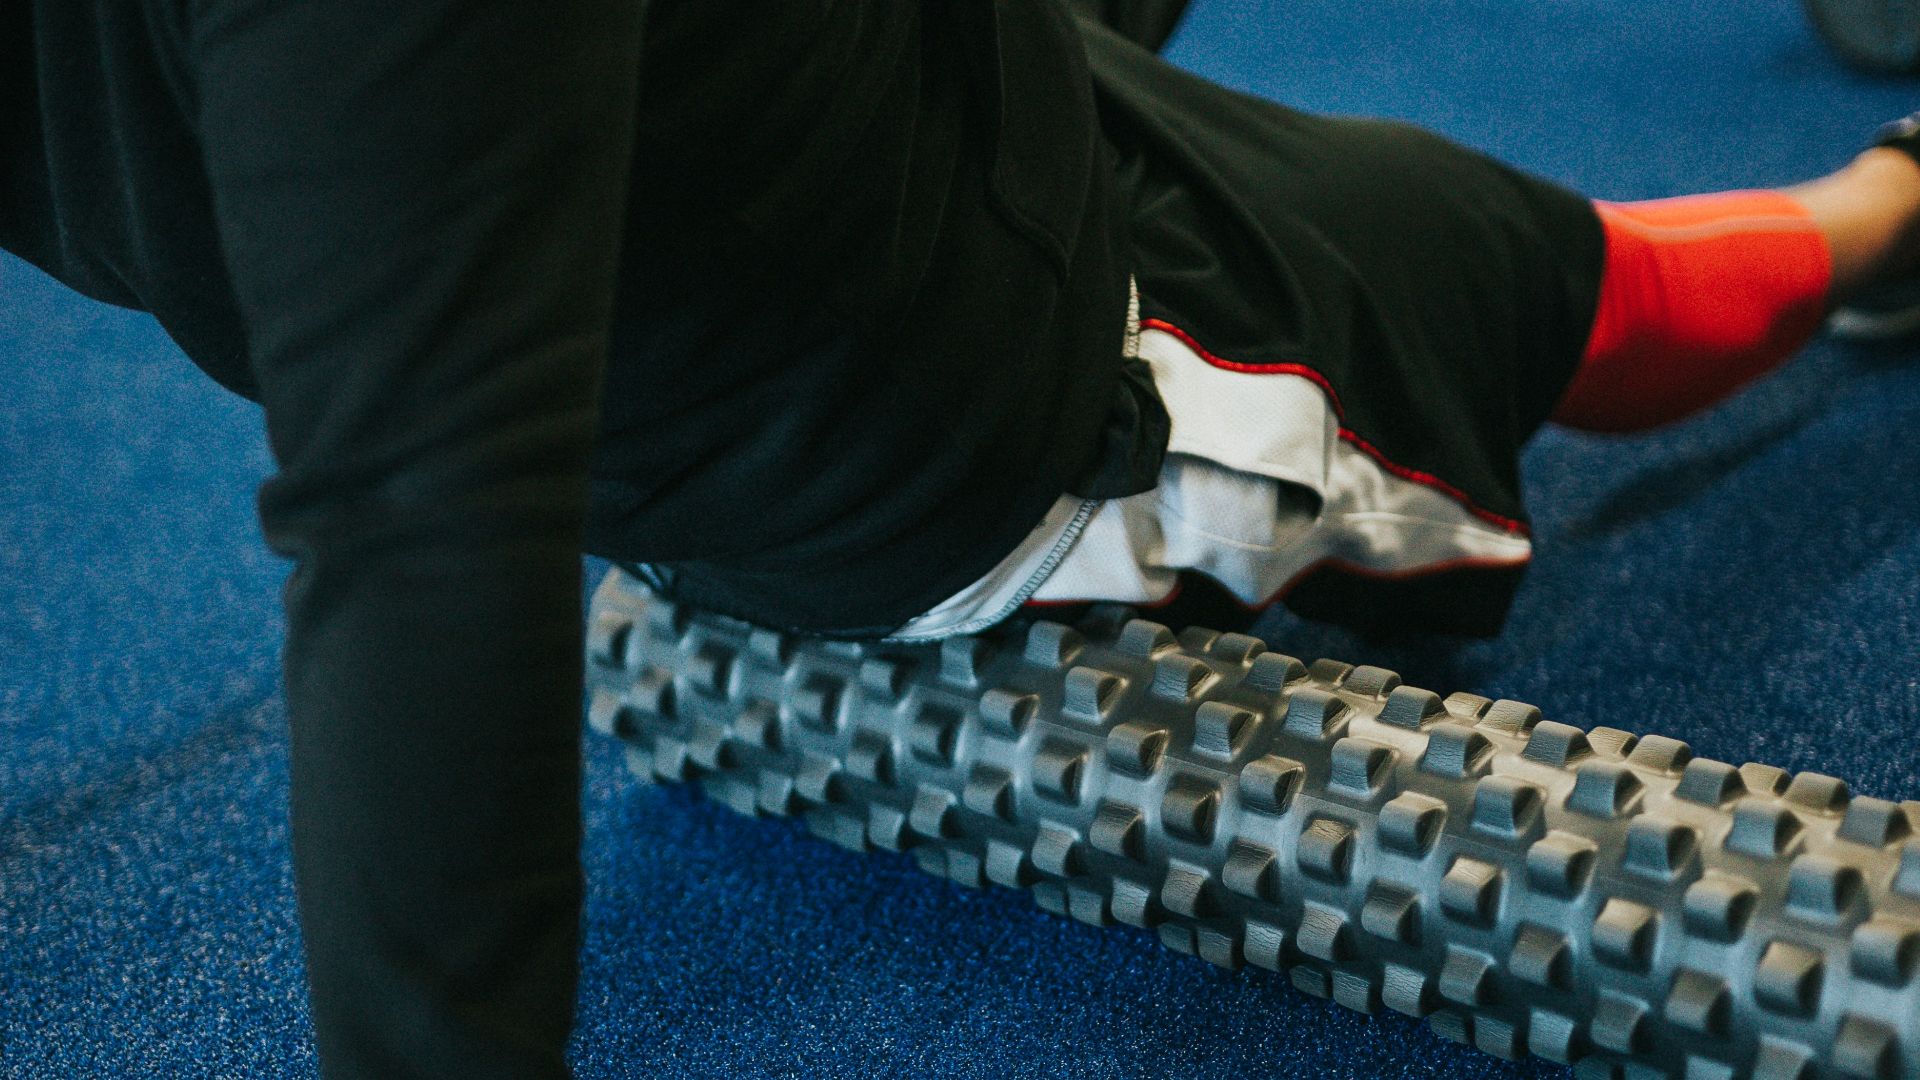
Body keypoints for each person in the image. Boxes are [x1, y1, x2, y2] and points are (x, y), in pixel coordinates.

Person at [2, 0, 1912, 1076]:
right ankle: (1889, 207)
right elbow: (422, 544)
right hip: (1005, 406)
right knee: (1527, 272)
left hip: (817, 141)